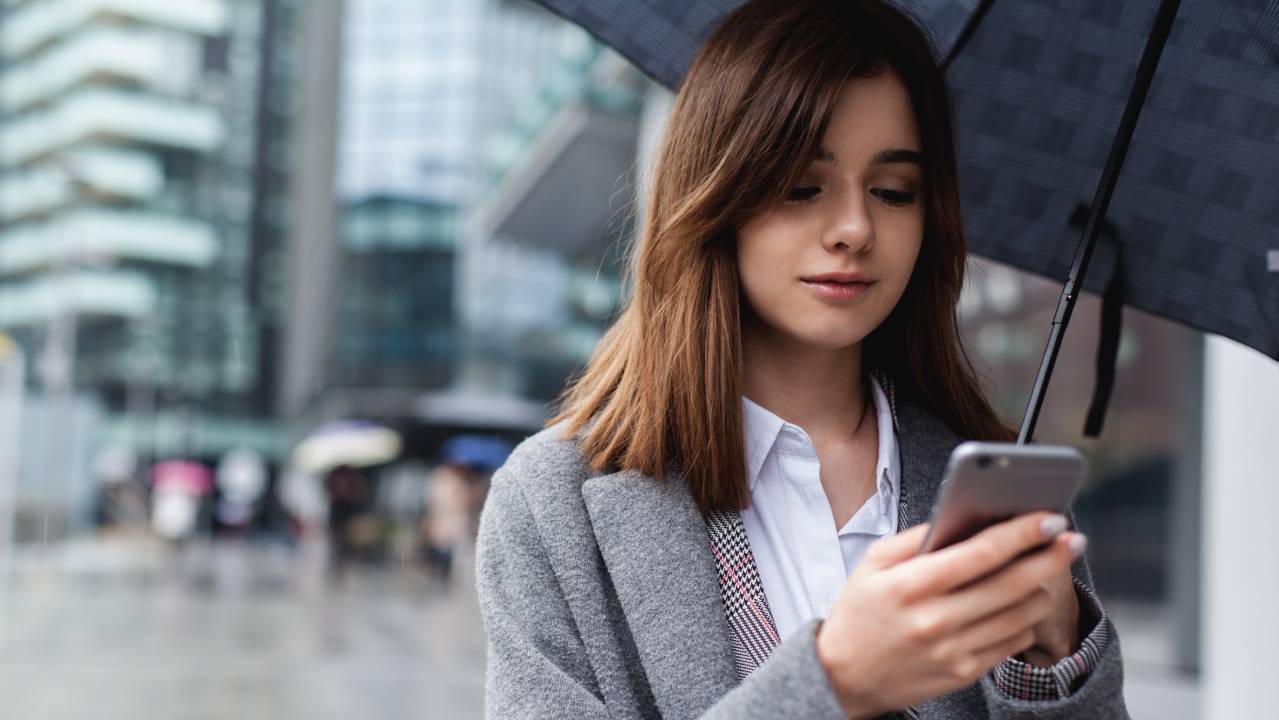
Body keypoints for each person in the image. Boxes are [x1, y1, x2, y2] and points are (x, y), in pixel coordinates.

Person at [475, 0, 1127, 717]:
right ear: (716, 195)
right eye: (801, 186)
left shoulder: (995, 492)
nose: (853, 228)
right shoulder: (551, 504)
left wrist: (1053, 661)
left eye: (892, 191)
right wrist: (832, 681)